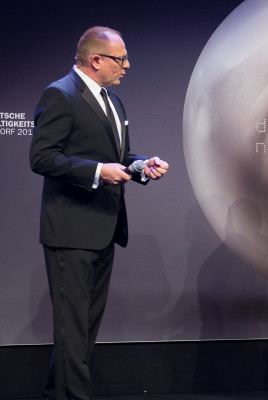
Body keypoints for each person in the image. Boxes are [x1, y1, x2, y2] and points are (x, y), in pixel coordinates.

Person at [29, 26, 169, 399]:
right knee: (73, 327)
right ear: (96, 60)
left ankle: (54, 393)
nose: (127, 65)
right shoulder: (60, 95)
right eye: (120, 58)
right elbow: (42, 158)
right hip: (70, 229)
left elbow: (120, 157)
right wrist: (96, 172)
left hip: (103, 229)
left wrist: (140, 165)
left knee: (84, 327)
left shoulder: (113, 100)